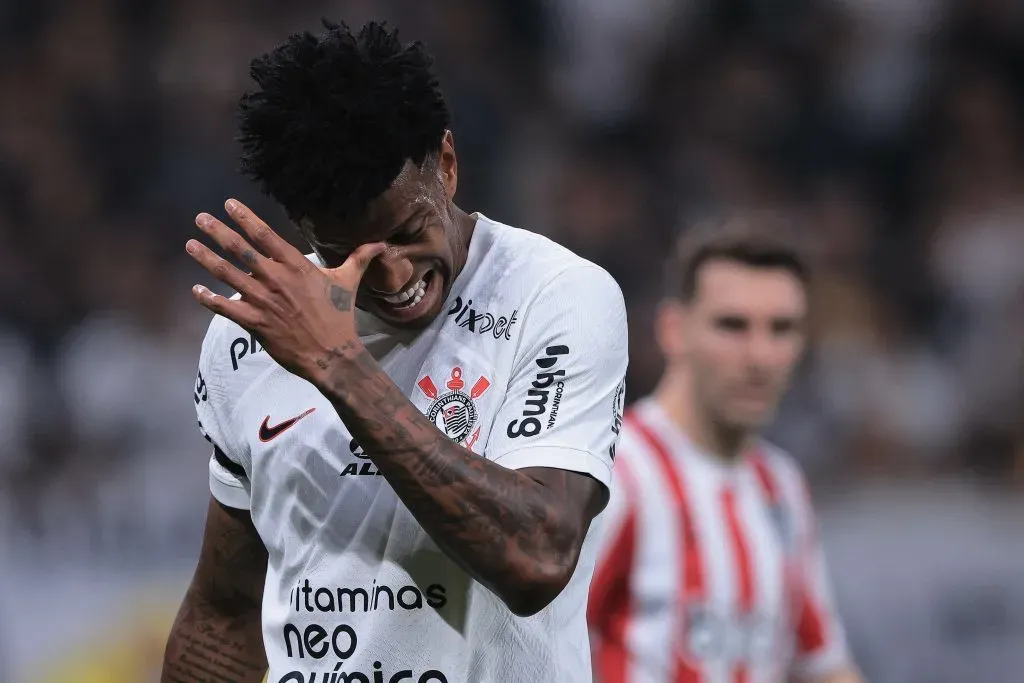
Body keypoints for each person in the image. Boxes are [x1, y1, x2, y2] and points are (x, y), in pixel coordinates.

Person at [160, 20, 629, 683]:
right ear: (304, 226)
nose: (393, 278)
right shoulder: (249, 334)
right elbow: (224, 609)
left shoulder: (555, 296)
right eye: (348, 252)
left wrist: (338, 365)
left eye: (410, 232)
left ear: (446, 164)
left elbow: (537, 558)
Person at [587, 216, 863, 683]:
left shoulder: (781, 484)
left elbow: (823, 662)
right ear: (673, 330)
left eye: (782, 329)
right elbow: (532, 644)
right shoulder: (616, 470)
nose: (760, 356)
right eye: (733, 326)